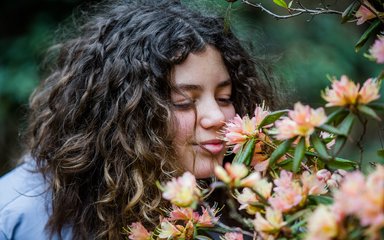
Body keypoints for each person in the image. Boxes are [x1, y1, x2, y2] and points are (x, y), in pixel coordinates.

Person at [0, 0, 281, 239]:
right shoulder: (17, 216)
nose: (218, 117)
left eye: (225, 98)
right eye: (183, 102)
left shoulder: (234, 201)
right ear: (121, 115)